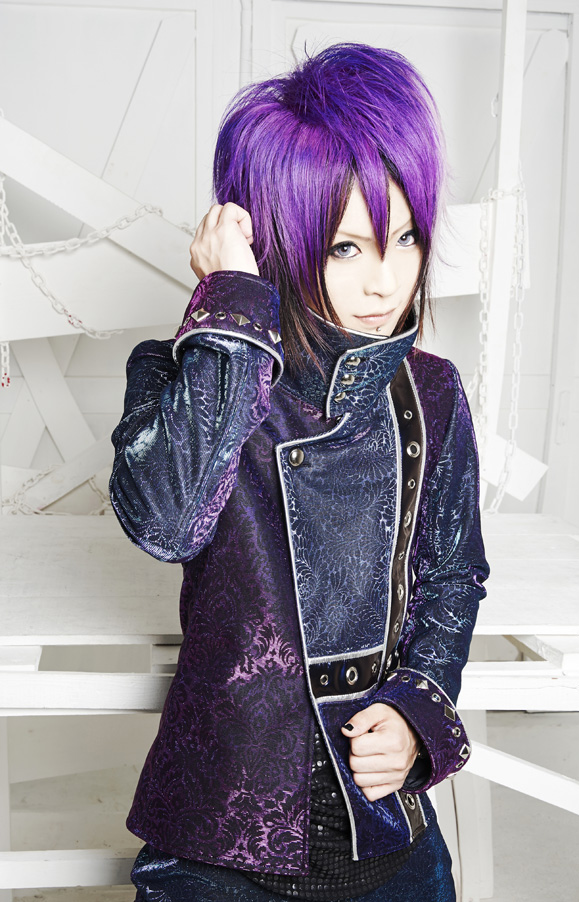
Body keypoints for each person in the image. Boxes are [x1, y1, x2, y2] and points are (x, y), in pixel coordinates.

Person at [109, 41, 489, 902]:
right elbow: (168, 522)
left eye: (406, 237)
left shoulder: (430, 392)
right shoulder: (192, 373)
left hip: (382, 827)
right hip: (218, 834)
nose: (386, 281)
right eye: (346, 248)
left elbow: (452, 575)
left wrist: (417, 712)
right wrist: (232, 303)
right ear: (270, 239)